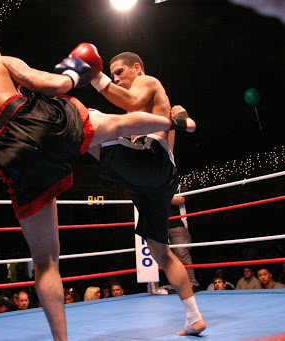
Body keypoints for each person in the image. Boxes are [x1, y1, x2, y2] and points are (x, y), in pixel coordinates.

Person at [0, 36, 190, 341]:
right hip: (31, 119)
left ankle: (61, 340)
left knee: (45, 261)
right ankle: (172, 122)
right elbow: (49, 85)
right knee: (112, 124)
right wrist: (73, 72)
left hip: (4, 153)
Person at [86, 48, 204, 336]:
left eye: (119, 72)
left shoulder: (148, 82)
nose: (117, 79)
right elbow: (184, 127)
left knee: (87, 117)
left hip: (152, 162)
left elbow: (181, 124)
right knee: (160, 251)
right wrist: (181, 120)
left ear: (137, 68)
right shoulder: (146, 113)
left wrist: (96, 77)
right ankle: (194, 317)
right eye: (112, 74)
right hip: (154, 181)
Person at [167, 184, 200, 291]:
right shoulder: (158, 185)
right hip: (162, 226)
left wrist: (162, 196)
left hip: (178, 225)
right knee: (169, 258)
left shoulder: (180, 186)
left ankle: (192, 283)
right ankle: (177, 284)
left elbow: (180, 200)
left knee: (181, 253)